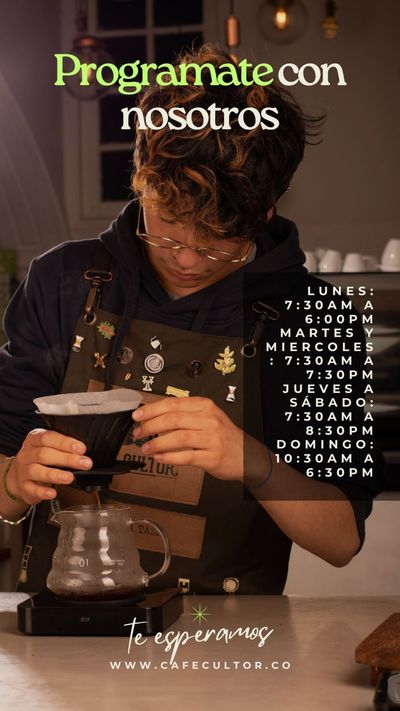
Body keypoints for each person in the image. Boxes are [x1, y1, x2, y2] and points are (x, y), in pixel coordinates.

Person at [0, 44, 384, 594]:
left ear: (265, 212)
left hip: (223, 638)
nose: (185, 260)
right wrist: (16, 479)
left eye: (217, 243)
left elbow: (341, 540)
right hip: (63, 627)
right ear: (141, 180)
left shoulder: (312, 318)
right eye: (167, 227)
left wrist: (253, 462)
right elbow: (4, 479)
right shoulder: (65, 281)